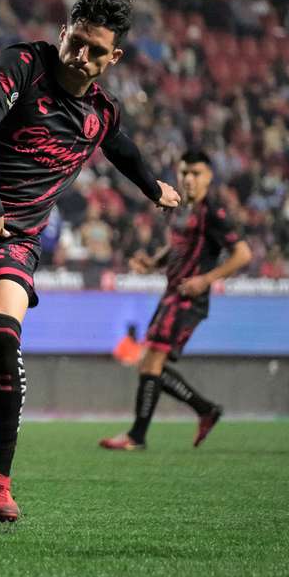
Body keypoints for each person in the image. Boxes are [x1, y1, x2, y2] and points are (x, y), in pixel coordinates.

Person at [0, 0, 182, 526]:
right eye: (75, 42)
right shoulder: (21, 67)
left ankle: (0, 481)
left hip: (12, 244)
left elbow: (120, 146)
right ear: (63, 32)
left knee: (4, 339)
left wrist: (152, 187)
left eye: (95, 51)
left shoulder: (99, 113)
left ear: (113, 58)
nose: (81, 56)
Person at [100, 150, 252, 451]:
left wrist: (205, 280)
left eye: (196, 173)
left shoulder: (213, 213)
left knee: (151, 362)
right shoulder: (182, 208)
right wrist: (153, 263)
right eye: (184, 173)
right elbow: (178, 246)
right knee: (148, 364)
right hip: (172, 294)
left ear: (209, 176)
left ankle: (137, 436)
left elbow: (243, 254)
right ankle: (205, 410)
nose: (189, 179)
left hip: (188, 299)